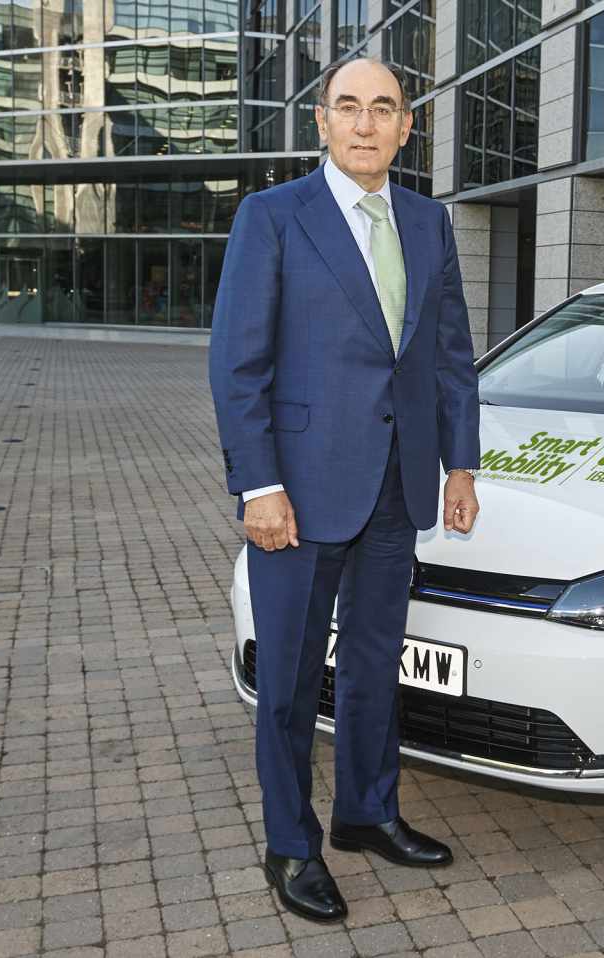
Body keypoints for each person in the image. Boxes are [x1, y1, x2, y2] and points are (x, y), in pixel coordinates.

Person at [207, 57, 481, 923]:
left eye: (384, 109)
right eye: (349, 108)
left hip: (398, 491)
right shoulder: (273, 217)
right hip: (299, 494)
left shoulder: (430, 223)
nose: (366, 124)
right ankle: (291, 847)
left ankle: (367, 812)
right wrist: (259, 485)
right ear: (321, 123)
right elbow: (237, 365)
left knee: (372, 668)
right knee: (287, 685)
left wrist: (461, 464)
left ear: (408, 127)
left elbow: (449, 356)